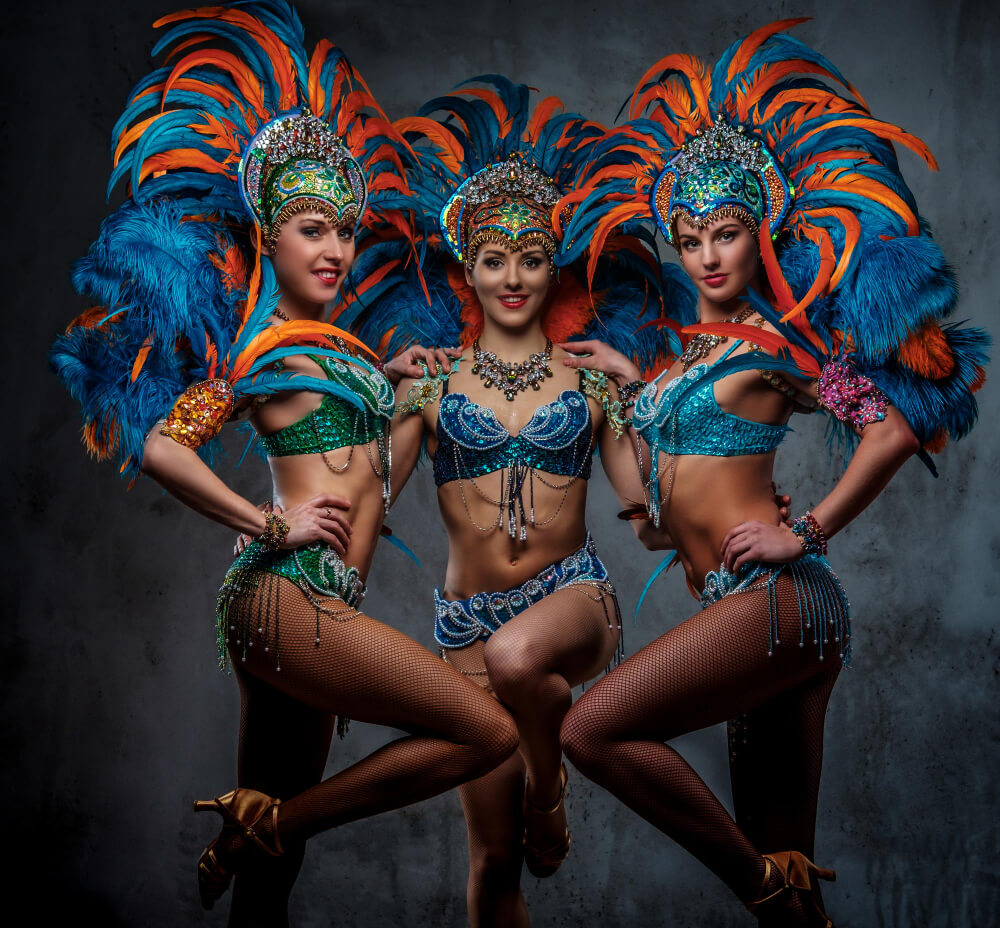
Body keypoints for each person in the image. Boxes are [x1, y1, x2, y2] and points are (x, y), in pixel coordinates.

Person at [50, 4, 518, 924]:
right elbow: (156, 444)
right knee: (484, 729)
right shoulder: (255, 348)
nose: (337, 248)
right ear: (269, 234)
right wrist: (268, 523)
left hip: (321, 604)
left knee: (273, 887)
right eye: (313, 229)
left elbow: (372, 473)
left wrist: (404, 390)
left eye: (346, 231)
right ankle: (257, 823)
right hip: (282, 595)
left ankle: (263, 828)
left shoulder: (338, 350)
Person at [555, 20, 988, 927]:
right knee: (793, 895)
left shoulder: (784, 345)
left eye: (727, 232)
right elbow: (657, 523)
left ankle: (757, 878)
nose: (708, 254)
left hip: (786, 602)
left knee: (591, 732)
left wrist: (808, 527)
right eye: (691, 237)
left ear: (762, 235)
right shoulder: (682, 362)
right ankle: (777, 891)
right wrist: (632, 393)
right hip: (739, 612)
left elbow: (898, 430)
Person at [341, 77, 669, 927]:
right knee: (493, 866)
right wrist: (384, 390)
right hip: (465, 627)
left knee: (524, 658)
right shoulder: (433, 381)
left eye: (530, 257)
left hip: (574, 603)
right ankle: (531, 807)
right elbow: (370, 497)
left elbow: (644, 511)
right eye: (494, 259)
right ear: (468, 267)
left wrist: (635, 401)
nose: (513, 276)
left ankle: (549, 790)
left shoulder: (590, 375)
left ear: (551, 262)